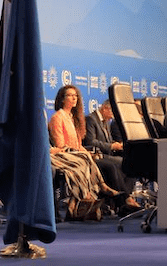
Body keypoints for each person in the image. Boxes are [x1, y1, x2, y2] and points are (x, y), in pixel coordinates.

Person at [48, 85, 135, 220]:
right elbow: (61, 145)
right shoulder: (57, 117)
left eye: (75, 95)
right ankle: (103, 190)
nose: (74, 98)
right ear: (62, 99)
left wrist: (88, 153)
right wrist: (83, 153)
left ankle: (107, 195)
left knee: (88, 157)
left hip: (76, 153)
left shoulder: (73, 118)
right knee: (88, 160)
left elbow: (78, 145)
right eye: (70, 95)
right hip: (64, 155)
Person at [83, 99, 138, 215]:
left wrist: (117, 145)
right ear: (105, 108)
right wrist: (112, 145)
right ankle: (125, 200)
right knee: (122, 163)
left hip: (107, 154)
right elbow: (91, 141)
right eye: (113, 112)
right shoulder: (91, 120)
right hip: (96, 155)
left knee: (132, 164)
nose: (114, 115)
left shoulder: (105, 121)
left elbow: (106, 140)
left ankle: (124, 200)